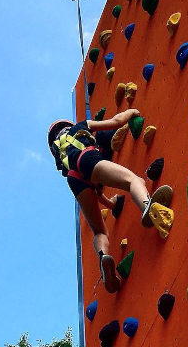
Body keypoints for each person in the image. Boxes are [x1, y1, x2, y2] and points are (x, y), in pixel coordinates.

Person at [47, 109, 172, 293]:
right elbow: (115, 122)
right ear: (68, 126)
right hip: (87, 156)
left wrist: (111, 204)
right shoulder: (81, 127)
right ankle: (148, 207)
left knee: (99, 231)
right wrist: (131, 112)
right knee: (133, 180)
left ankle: (103, 257)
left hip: (74, 179)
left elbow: (94, 190)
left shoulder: (62, 157)